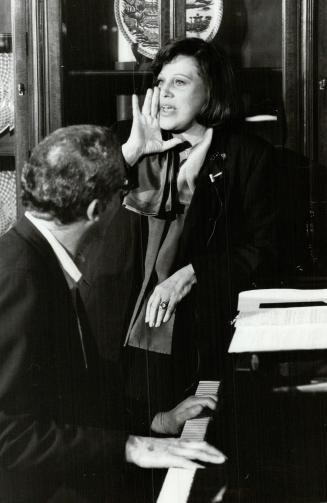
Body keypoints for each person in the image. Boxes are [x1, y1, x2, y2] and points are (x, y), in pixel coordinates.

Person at [0, 124, 225, 503]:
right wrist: (134, 447)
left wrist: (157, 422)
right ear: (94, 210)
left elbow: (75, 394)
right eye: (121, 196)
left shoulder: (36, 256)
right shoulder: (20, 278)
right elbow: (8, 434)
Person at [80, 37, 277, 430]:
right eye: (161, 81)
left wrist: (192, 273)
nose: (164, 92)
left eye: (181, 82)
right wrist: (131, 154)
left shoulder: (246, 156)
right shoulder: (123, 137)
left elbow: (265, 250)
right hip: (107, 326)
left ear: (210, 93)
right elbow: (74, 211)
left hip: (191, 336)